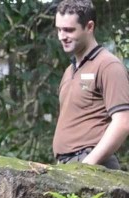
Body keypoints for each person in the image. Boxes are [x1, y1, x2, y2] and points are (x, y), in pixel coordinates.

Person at [53, 0, 129, 169]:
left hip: (92, 165)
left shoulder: (108, 65)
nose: (61, 36)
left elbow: (123, 122)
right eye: (59, 29)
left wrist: (87, 166)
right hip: (67, 166)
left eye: (69, 30)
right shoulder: (68, 71)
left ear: (89, 27)